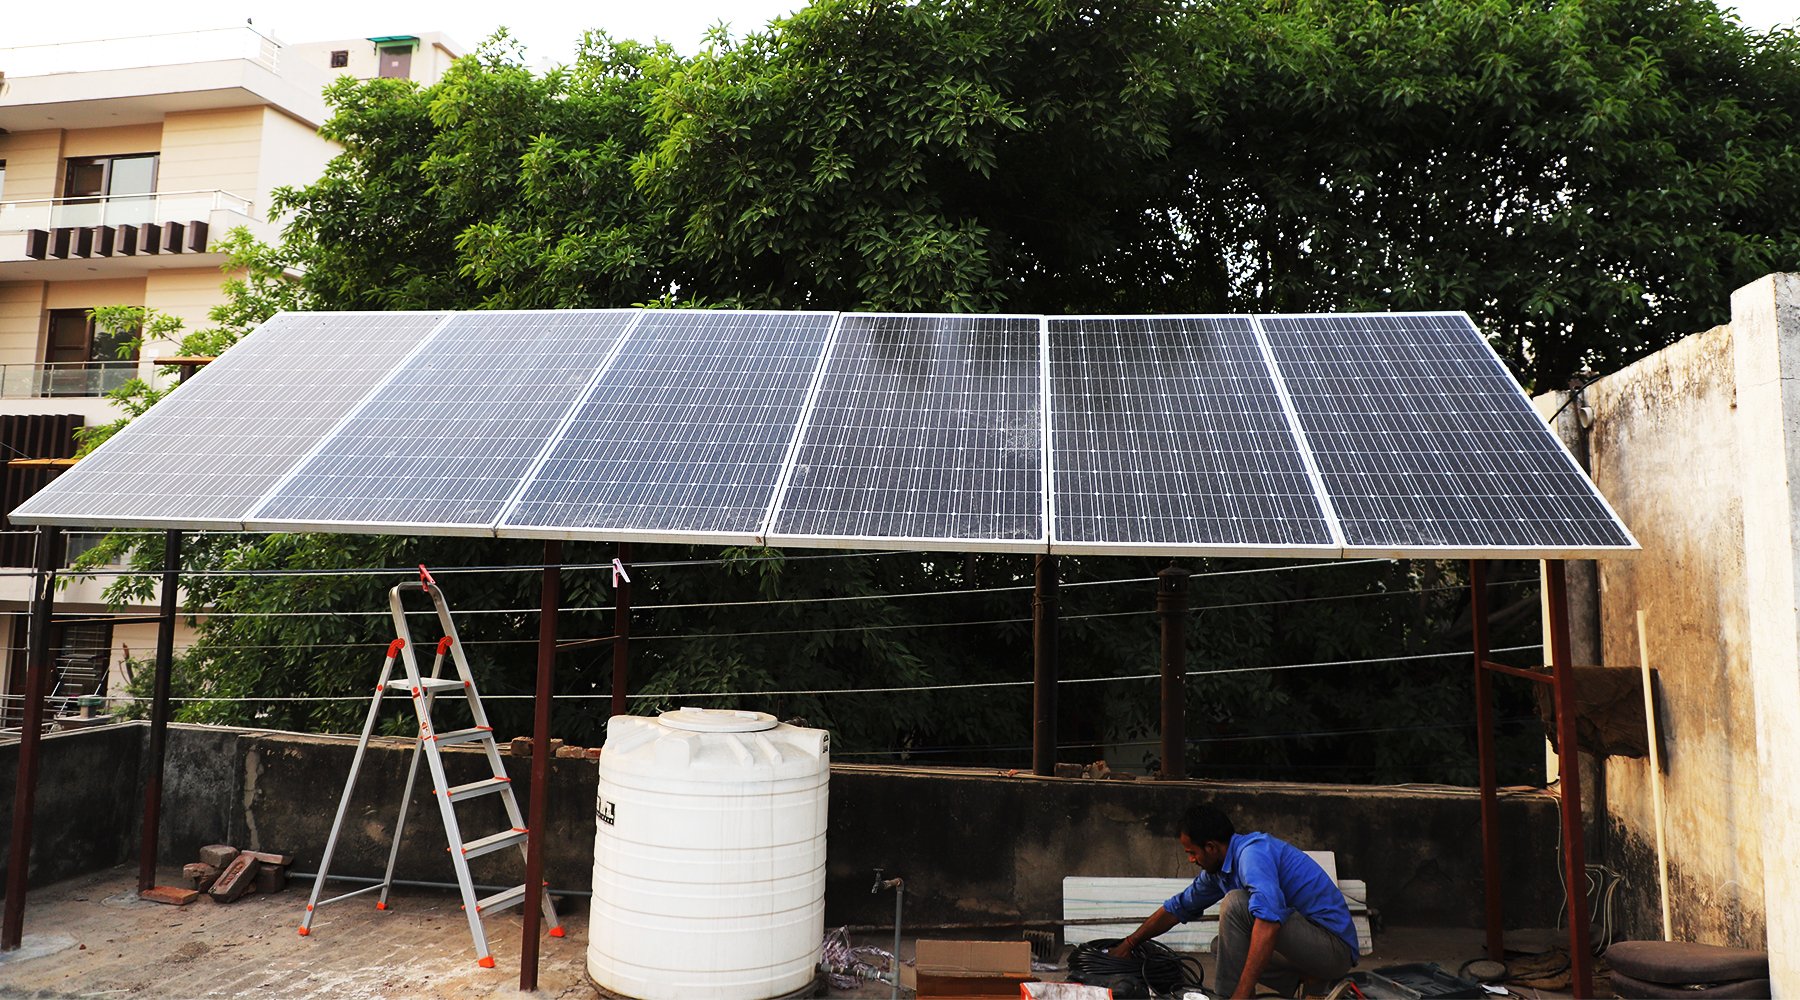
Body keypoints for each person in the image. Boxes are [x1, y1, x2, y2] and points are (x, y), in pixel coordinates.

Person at [1108, 804, 1357, 999]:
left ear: (1211, 847)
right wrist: (1129, 943)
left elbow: (1269, 922)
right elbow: (1177, 907)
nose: (1191, 860)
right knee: (1223, 947)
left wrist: (1238, 995)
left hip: (1333, 949)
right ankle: (1309, 979)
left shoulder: (1252, 854)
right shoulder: (1219, 871)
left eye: (1192, 853)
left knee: (1236, 903)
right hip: (1309, 950)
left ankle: (1228, 997)